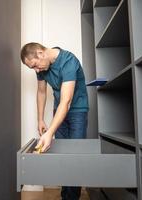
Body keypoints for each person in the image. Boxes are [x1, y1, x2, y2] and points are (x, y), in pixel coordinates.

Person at [21, 42, 89, 200]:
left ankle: (71, 198)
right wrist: (40, 120)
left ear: (40, 53)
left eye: (35, 66)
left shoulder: (68, 62)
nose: (36, 70)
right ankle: (66, 195)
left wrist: (50, 132)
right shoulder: (42, 67)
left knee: (74, 156)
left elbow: (66, 102)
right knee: (62, 156)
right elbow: (41, 92)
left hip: (77, 111)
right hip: (59, 112)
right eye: (32, 68)